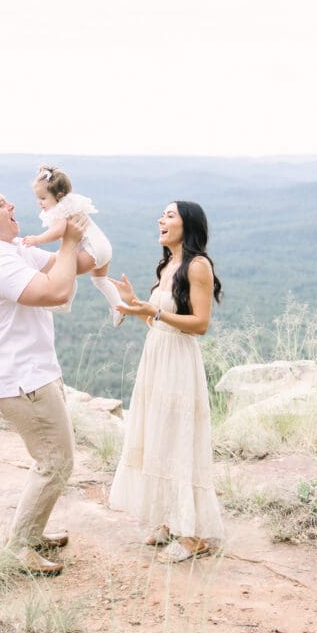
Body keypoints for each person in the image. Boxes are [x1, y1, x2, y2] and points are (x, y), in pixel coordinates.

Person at [0, 180, 87, 577]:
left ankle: (31, 534)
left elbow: (79, 264)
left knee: (53, 460)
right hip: (24, 383)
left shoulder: (11, 250)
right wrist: (68, 242)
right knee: (55, 462)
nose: (11, 204)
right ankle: (18, 548)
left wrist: (74, 227)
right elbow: (56, 291)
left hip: (37, 374)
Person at [108, 200, 224, 563]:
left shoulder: (197, 265)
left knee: (178, 438)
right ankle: (170, 519)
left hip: (178, 361)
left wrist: (153, 310)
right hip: (156, 356)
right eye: (162, 214)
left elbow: (200, 324)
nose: (161, 219)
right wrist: (136, 305)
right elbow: (159, 320)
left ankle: (193, 535)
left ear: (187, 225)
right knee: (157, 433)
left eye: (169, 215)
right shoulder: (168, 264)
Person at [22, 165, 124, 326]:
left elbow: (58, 231)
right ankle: (119, 306)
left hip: (91, 252)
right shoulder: (71, 204)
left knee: (66, 268)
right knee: (100, 280)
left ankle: (64, 302)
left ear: (59, 195)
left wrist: (37, 239)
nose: (39, 202)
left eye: (42, 198)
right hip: (103, 248)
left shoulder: (60, 210)